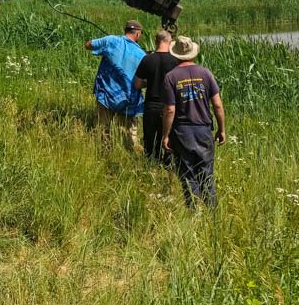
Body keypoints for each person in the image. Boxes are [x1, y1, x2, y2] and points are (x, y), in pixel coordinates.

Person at [161, 36, 226, 209]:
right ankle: (212, 213)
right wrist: (222, 130)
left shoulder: (170, 77)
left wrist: (165, 135)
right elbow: (218, 105)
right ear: (193, 53)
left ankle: (193, 212)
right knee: (206, 173)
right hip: (204, 130)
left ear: (175, 55)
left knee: (187, 174)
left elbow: (170, 110)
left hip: (182, 132)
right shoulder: (205, 73)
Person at [86, 20, 145, 151]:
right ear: (137, 34)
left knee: (103, 128)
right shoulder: (142, 54)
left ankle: (104, 151)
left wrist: (105, 44)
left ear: (125, 30)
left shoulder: (111, 40)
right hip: (129, 99)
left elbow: (88, 45)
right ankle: (132, 154)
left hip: (106, 94)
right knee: (130, 135)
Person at [133, 30, 179, 164]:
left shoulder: (147, 59)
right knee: (166, 140)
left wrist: (150, 82)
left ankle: (149, 166)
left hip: (151, 106)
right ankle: (166, 167)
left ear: (156, 41)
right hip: (169, 106)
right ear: (169, 42)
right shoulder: (175, 60)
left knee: (149, 141)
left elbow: (137, 84)